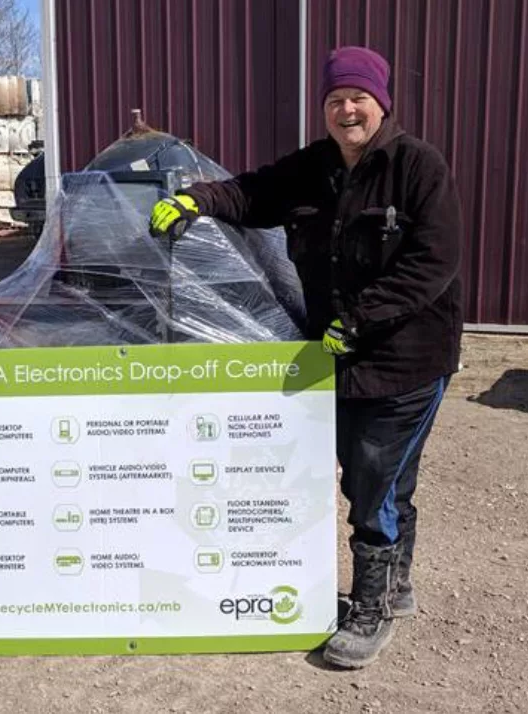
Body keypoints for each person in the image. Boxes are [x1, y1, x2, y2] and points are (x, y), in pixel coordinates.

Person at [150, 46, 462, 669]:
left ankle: (370, 607)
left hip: (408, 358)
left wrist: (361, 319)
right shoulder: (315, 168)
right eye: (335, 100)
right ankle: (396, 585)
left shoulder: (418, 167)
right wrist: (195, 200)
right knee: (374, 470)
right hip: (339, 357)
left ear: (381, 103)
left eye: (358, 98)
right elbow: (251, 193)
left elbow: (434, 260)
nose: (347, 110)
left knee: (372, 478)